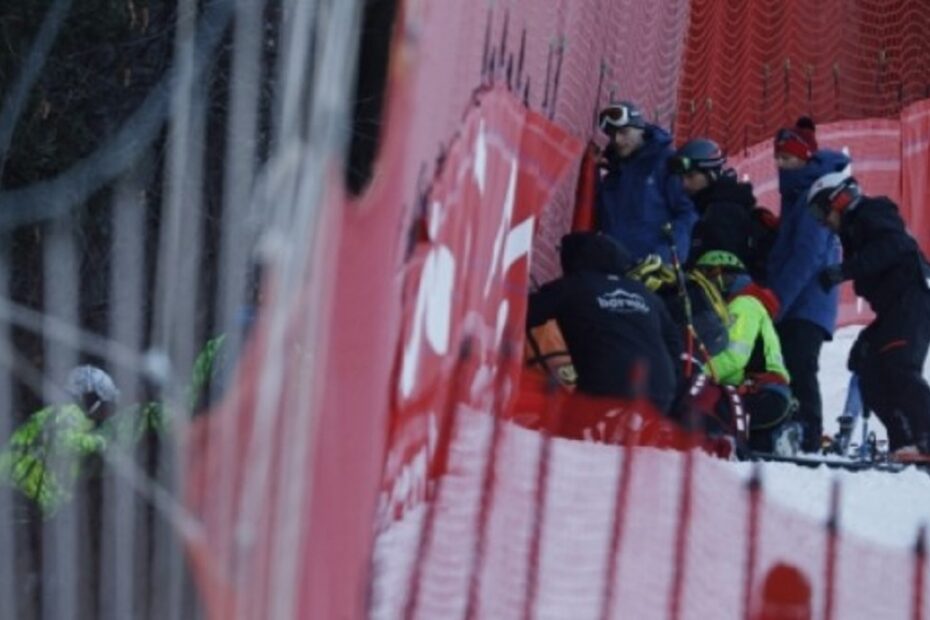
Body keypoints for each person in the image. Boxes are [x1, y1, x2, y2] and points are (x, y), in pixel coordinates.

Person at [808, 170, 930, 457]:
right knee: (868, 365)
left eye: (820, 211)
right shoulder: (854, 229)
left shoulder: (871, 211)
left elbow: (895, 246)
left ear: (837, 200)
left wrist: (845, 270)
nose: (822, 222)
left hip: (912, 299)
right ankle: (905, 441)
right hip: (893, 308)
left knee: (899, 364)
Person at [526, 231, 682, 414]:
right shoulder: (646, 294)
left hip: (605, 387)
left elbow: (524, 312)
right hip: (660, 391)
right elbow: (675, 343)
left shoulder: (574, 285)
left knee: (567, 431)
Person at [767, 117, 848, 452]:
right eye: (779, 158)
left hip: (807, 301)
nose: (782, 165)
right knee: (787, 363)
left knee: (800, 364)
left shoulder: (813, 195)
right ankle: (791, 430)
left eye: (789, 158)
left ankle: (810, 436)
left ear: (805, 158)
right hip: (798, 301)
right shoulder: (797, 193)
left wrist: (778, 301)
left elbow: (807, 256)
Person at [690, 251, 797, 453]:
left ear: (722, 275)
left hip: (763, 393)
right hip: (760, 391)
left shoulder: (744, 305)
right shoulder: (739, 304)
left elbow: (734, 358)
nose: (705, 288)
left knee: (702, 408)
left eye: (707, 279)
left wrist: (695, 373)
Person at [594, 101, 697, 264]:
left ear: (640, 129)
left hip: (655, 272)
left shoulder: (666, 163)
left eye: (624, 132)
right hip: (616, 269)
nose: (618, 140)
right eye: (612, 135)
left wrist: (665, 258)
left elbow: (688, 213)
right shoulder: (611, 173)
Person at [667, 137, 778, 282]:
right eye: (682, 178)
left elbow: (721, 276)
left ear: (712, 174)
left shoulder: (721, 214)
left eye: (690, 176)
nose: (684, 185)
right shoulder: (722, 205)